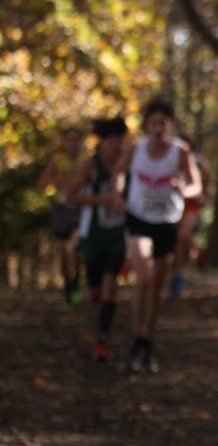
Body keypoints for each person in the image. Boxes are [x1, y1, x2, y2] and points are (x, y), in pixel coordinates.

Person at [111, 97, 202, 373]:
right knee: (144, 275)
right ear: (147, 126)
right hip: (138, 218)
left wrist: (182, 190)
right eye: (154, 123)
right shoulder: (135, 149)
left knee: (155, 286)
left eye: (163, 123)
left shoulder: (181, 151)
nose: (159, 128)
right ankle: (137, 338)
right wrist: (117, 194)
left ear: (171, 125)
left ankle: (145, 342)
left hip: (166, 222)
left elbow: (195, 184)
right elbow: (118, 172)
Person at [67, 117, 129, 362]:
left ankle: (102, 340)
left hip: (117, 235)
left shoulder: (127, 166)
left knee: (110, 285)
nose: (114, 147)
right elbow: (72, 195)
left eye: (118, 143)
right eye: (109, 142)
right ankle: (89, 285)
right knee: (95, 293)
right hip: (93, 236)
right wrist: (99, 200)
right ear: (101, 144)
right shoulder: (90, 166)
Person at [37, 125, 86, 310]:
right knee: (62, 254)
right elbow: (41, 184)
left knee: (74, 249)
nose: (72, 143)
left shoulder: (86, 161)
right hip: (61, 211)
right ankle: (68, 290)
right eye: (69, 139)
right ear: (64, 142)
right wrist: (54, 181)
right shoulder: (57, 161)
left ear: (80, 141)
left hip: (80, 209)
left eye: (76, 139)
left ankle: (77, 280)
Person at [169, 136, 211, 299]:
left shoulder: (198, 161)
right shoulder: (169, 158)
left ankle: (180, 272)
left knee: (182, 236)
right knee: (176, 242)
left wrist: (204, 196)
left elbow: (205, 181)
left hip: (190, 205)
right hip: (171, 205)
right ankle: (178, 272)